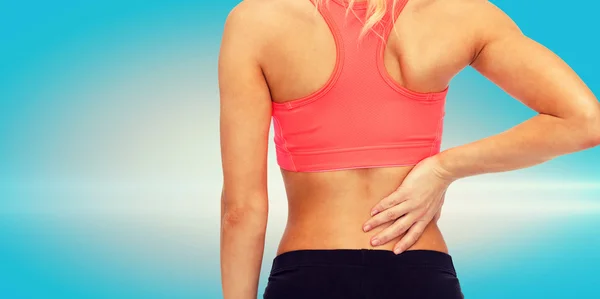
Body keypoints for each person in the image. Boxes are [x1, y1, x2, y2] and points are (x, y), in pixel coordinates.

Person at [218, 0, 600, 298]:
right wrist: (443, 168)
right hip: (420, 271)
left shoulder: (257, 21)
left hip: (308, 275)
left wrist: (442, 169)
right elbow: (585, 121)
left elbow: (242, 209)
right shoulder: (457, 14)